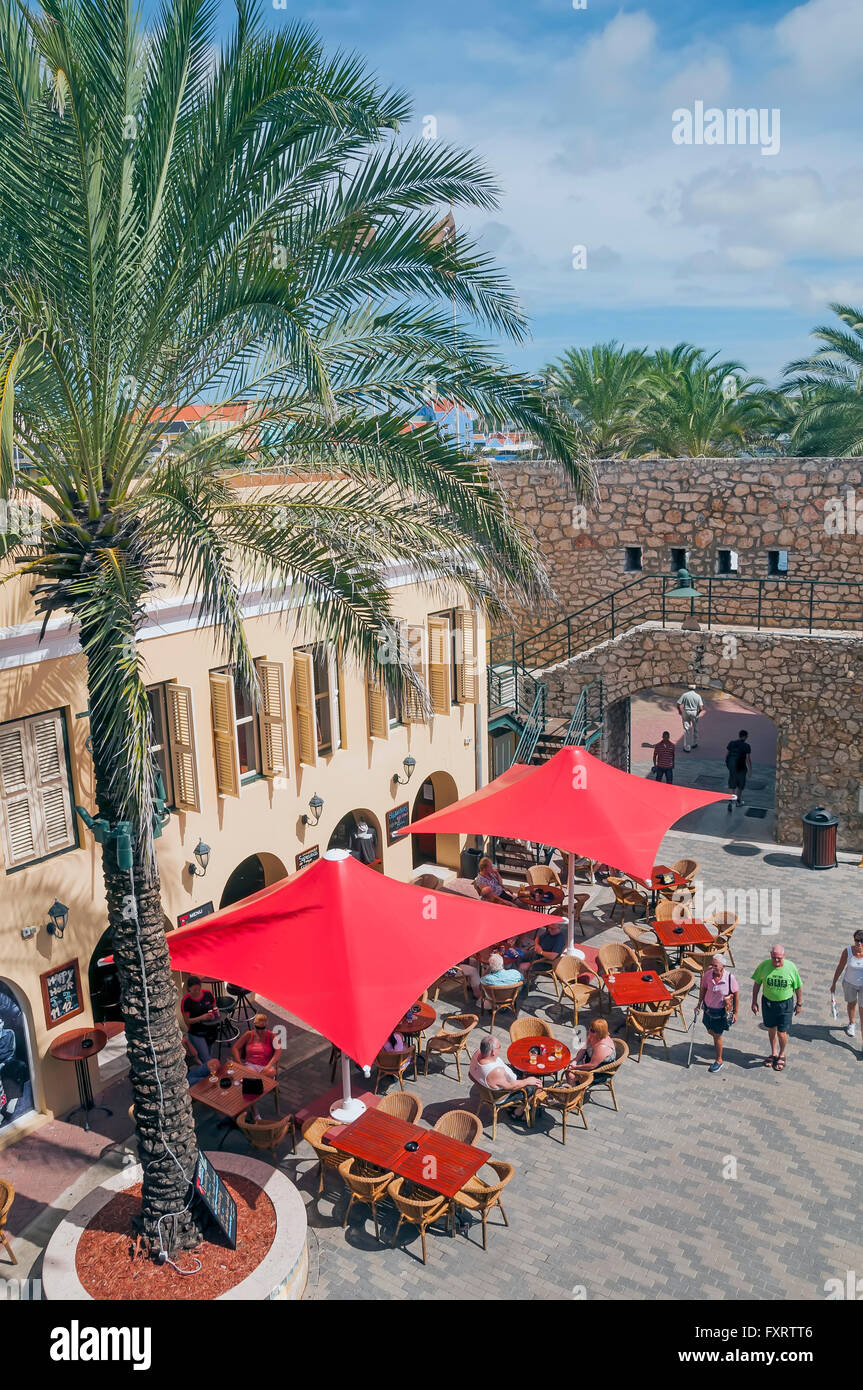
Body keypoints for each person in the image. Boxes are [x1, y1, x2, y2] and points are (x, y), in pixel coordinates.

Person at [751, 943, 802, 1071]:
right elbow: (757, 984)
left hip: (785, 1004)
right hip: (768, 1002)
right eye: (774, 957)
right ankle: (773, 1053)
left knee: (782, 1032)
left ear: (784, 956)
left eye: (779, 957)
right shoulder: (764, 966)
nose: (776, 960)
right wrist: (754, 1001)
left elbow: (798, 986)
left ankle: (782, 1054)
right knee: (771, 1028)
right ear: (770, 955)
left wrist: (799, 1003)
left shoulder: (791, 968)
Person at [468, 1034, 541, 1118]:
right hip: (501, 1096)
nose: (500, 1049)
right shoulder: (496, 1071)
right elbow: (513, 1086)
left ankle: (513, 1106)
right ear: (493, 1052)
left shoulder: (477, 1053)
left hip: (494, 1087)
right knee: (536, 1085)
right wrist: (528, 1081)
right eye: (499, 1047)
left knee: (521, 1068)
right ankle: (517, 1113)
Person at [696, 954, 739, 1072]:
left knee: (717, 1035)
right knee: (709, 1030)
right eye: (712, 965)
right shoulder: (707, 975)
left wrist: (735, 1012)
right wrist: (699, 1004)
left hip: (720, 1012)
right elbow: (703, 989)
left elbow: (736, 995)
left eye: (715, 966)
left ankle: (719, 1060)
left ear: (723, 966)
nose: (713, 968)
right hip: (708, 1010)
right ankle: (716, 1041)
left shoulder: (730, 978)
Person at [830, 929, 863, 1039]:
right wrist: (834, 983)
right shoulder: (847, 951)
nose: (859, 943)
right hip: (849, 984)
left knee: (862, 1010)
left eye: (862, 940)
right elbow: (840, 967)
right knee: (851, 1004)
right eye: (857, 940)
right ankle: (852, 1023)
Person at [180, 976, 220, 1064]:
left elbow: (214, 1007)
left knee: (209, 1054)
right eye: (194, 990)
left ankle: (206, 1072)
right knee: (207, 1059)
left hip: (211, 1030)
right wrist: (202, 1017)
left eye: (198, 989)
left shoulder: (208, 994)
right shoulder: (186, 1001)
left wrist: (215, 1013)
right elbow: (187, 1021)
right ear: (189, 989)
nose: (197, 992)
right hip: (197, 1033)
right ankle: (210, 1075)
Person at [725, 729, 752, 810]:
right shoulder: (747, 746)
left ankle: (730, 801)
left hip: (732, 767)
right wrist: (750, 769)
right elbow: (747, 758)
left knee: (732, 784)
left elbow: (726, 754)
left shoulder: (731, 743)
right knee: (740, 785)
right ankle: (738, 801)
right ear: (745, 737)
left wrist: (729, 765)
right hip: (741, 767)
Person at [676, 683, 704, 751]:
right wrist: (697, 713)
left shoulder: (685, 695)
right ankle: (695, 743)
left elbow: (678, 704)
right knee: (695, 728)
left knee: (686, 729)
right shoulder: (698, 696)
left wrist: (680, 711)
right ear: (695, 688)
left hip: (686, 712)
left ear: (688, 688)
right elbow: (701, 708)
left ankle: (687, 747)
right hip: (694, 712)